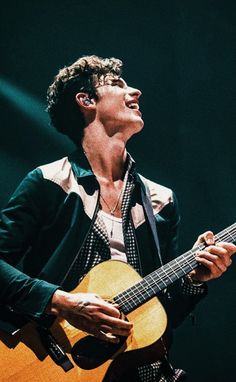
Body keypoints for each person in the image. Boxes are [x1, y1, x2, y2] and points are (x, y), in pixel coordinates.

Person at [0, 55, 235, 382]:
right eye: (117, 84)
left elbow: (159, 317)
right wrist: (62, 303)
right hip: (51, 365)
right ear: (86, 101)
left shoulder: (161, 202)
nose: (136, 91)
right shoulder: (50, 182)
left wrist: (193, 280)